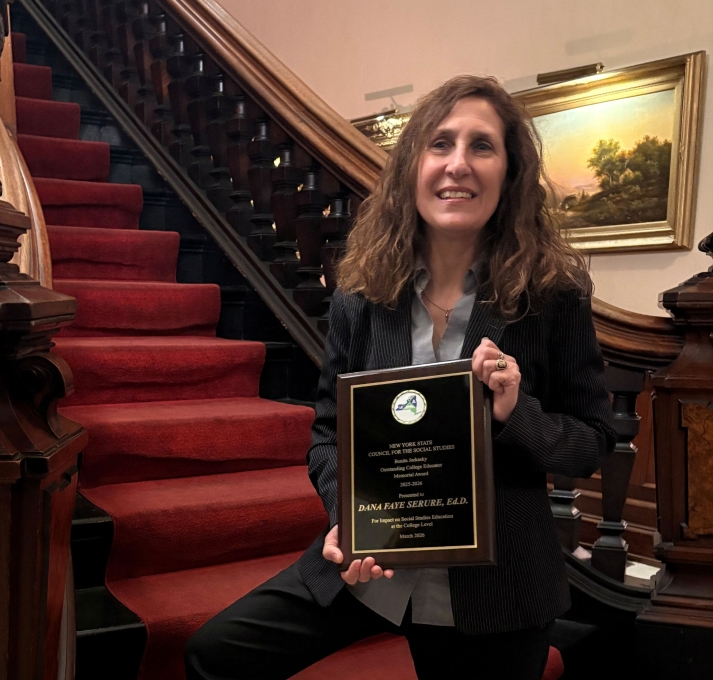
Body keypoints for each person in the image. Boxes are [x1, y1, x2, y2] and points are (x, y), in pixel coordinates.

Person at [184, 75, 616, 680]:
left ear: (511, 172)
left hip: (495, 587)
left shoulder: (553, 297)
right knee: (217, 653)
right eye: (440, 144)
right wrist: (348, 521)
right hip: (372, 567)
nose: (457, 165)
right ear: (412, 164)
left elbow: (591, 440)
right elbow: (330, 435)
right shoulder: (361, 298)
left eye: (481, 146)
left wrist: (515, 411)